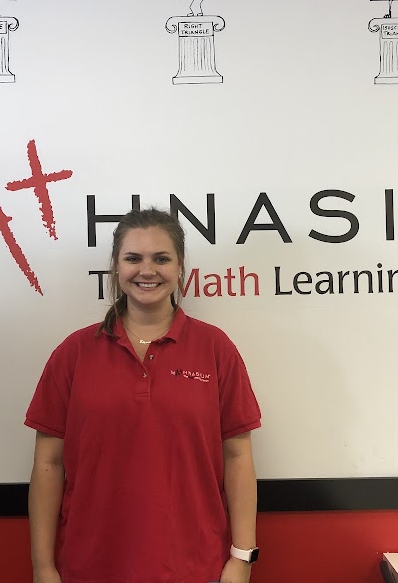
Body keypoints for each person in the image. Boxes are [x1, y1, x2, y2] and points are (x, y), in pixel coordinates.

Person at [25, 208, 262, 583]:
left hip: (195, 568)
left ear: (180, 266)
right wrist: (43, 567)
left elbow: (238, 457)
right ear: (116, 266)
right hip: (90, 568)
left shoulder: (216, 349)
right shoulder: (74, 353)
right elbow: (48, 465)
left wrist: (241, 558)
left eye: (161, 259)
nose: (147, 270)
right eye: (133, 258)